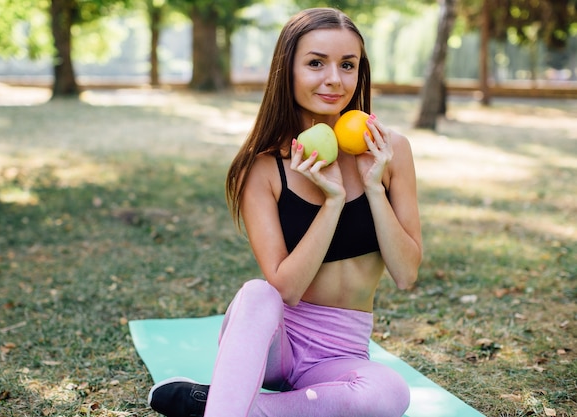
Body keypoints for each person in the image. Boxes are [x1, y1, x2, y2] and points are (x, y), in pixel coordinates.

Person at [148, 7, 422, 417]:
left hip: (339, 355)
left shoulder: (390, 150)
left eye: (348, 65)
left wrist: (372, 188)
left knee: (389, 394)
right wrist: (332, 203)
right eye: (316, 63)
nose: (334, 79)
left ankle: (223, 405)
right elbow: (286, 289)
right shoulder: (262, 169)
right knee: (257, 293)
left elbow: (406, 274)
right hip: (277, 344)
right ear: (287, 70)